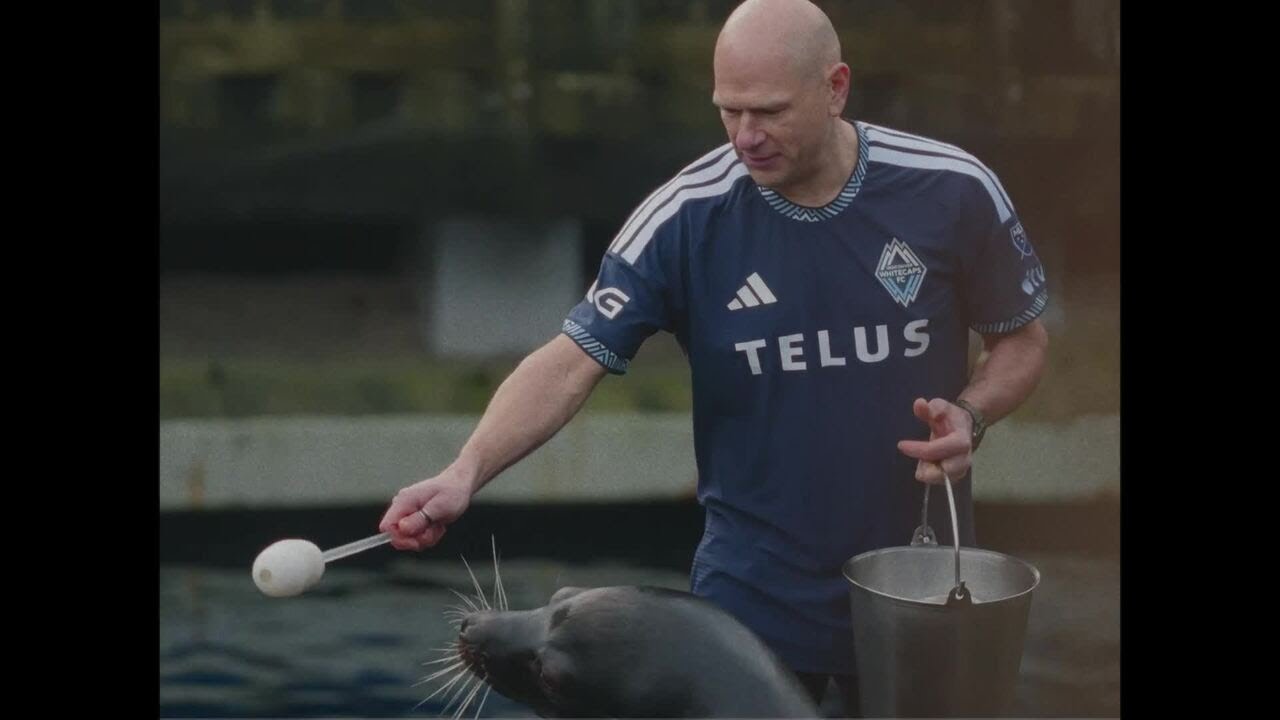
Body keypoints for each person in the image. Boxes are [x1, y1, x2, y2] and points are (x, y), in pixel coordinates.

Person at [380, 0, 1049, 714]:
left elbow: (1021, 342)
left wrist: (971, 415)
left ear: (836, 88)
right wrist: (464, 472)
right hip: (749, 603)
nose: (746, 137)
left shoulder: (951, 188)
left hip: (913, 592)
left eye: (768, 112)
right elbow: (572, 358)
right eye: (728, 112)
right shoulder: (685, 216)